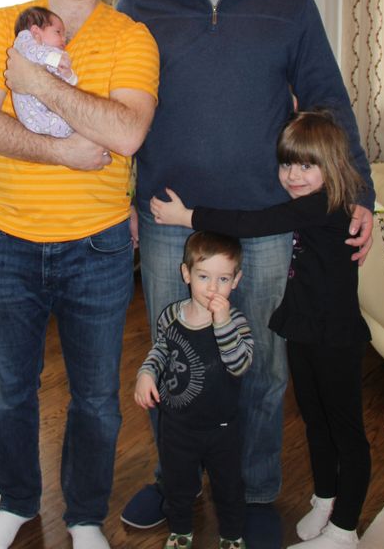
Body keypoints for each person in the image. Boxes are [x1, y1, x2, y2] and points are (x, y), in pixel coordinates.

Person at [116, 0, 374, 545]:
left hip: (264, 223)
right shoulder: (139, 0)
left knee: (259, 365)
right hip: (169, 220)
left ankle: (255, 487)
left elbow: (327, 101)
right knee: (176, 361)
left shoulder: (289, 1)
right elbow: (115, 105)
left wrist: (359, 193)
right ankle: (177, 480)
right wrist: (121, 200)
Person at [0, 0, 159, 549]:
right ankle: (16, 502)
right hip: (5, 242)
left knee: (96, 400)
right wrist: (65, 150)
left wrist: (38, 83)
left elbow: (126, 132)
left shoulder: (130, 37)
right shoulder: (0, 24)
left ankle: (83, 517)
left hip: (96, 248)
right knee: (11, 393)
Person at [151, 109, 371, 549]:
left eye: (306, 165)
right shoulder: (310, 205)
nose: (293, 175)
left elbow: (252, 224)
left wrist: (187, 217)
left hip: (335, 338)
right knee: (315, 421)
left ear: (332, 165)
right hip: (305, 331)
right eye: (287, 163)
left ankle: (345, 528)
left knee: (345, 430)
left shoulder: (324, 206)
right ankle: (325, 499)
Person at [135, 231, 252, 549]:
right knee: (178, 486)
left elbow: (239, 365)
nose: (212, 288)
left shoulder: (237, 323)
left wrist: (222, 323)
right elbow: (161, 350)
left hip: (222, 429)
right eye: (203, 276)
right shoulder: (171, 316)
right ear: (186, 274)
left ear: (236, 280)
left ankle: (232, 534)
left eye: (223, 279)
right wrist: (147, 372)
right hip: (177, 427)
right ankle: (180, 530)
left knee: (229, 487)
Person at [12, 6, 78, 137]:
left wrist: (68, 75)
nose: (64, 39)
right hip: (33, 112)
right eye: (58, 32)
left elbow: (66, 86)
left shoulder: (52, 54)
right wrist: (56, 59)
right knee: (70, 126)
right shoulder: (25, 40)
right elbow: (32, 53)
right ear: (36, 31)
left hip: (47, 109)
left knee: (77, 121)